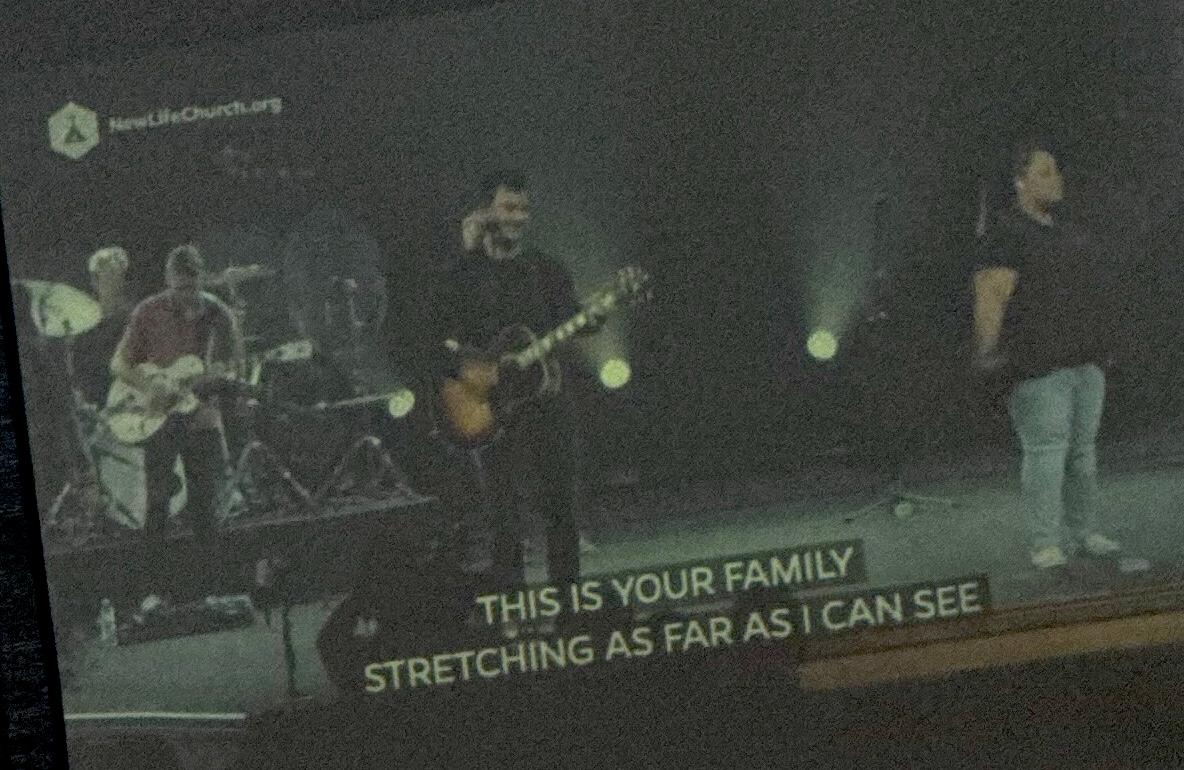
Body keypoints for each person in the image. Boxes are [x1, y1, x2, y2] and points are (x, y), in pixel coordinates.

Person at [420, 170, 602, 592]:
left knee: (561, 510)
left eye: (524, 209)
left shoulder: (547, 270)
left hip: (547, 405)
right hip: (492, 409)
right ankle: (511, 613)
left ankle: (568, 607)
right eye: (508, 208)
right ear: (485, 213)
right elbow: (433, 331)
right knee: (503, 517)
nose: (519, 217)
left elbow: (570, 321)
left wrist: (593, 320)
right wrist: (477, 369)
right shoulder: (465, 273)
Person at [972, 143, 1121, 569]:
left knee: (1082, 454)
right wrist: (987, 352)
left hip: (1084, 361)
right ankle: (1045, 542)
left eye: (1055, 170)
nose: (1055, 178)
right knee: (1046, 453)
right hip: (1037, 367)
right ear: (1019, 180)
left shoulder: (1067, 231)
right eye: (1043, 172)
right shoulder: (1005, 232)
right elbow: (990, 293)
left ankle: (1084, 532)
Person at [110, 244, 244, 605]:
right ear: (167, 281)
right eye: (177, 288)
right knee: (156, 505)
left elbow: (231, 370)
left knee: (204, 506)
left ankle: (210, 592)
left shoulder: (219, 316)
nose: (185, 296)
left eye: (191, 287)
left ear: (202, 279)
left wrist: (221, 380)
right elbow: (119, 365)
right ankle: (154, 592)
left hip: (199, 417)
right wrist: (150, 385)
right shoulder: (148, 311)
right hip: (159, 421)